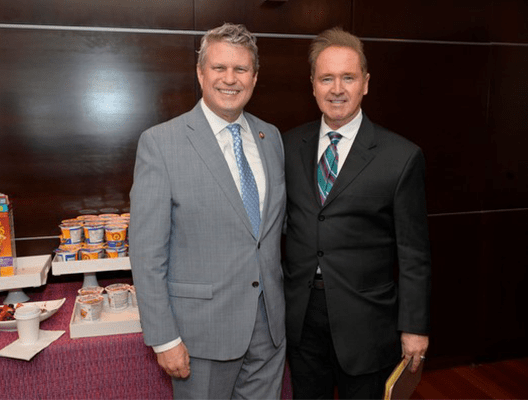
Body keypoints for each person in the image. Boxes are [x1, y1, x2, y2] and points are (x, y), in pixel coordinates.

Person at [129, 23, 286, 399]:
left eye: (241, 69)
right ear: (201, 73)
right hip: (201, 336)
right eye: (219, 68)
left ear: (255, 77)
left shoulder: (271, 137)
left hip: (269, 329)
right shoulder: (160, 144)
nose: (230, 79)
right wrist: (164, 337)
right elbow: (147, 253)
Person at [282, 27, 431, 399]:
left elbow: (414, 253)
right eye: (326, 78)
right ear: (313, 85)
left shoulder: (401, 156)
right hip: (301, 318)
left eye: (347, 77)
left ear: (365, 83)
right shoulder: (286, 146)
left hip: (367, 324)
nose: (337, 89)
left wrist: (414, 327)